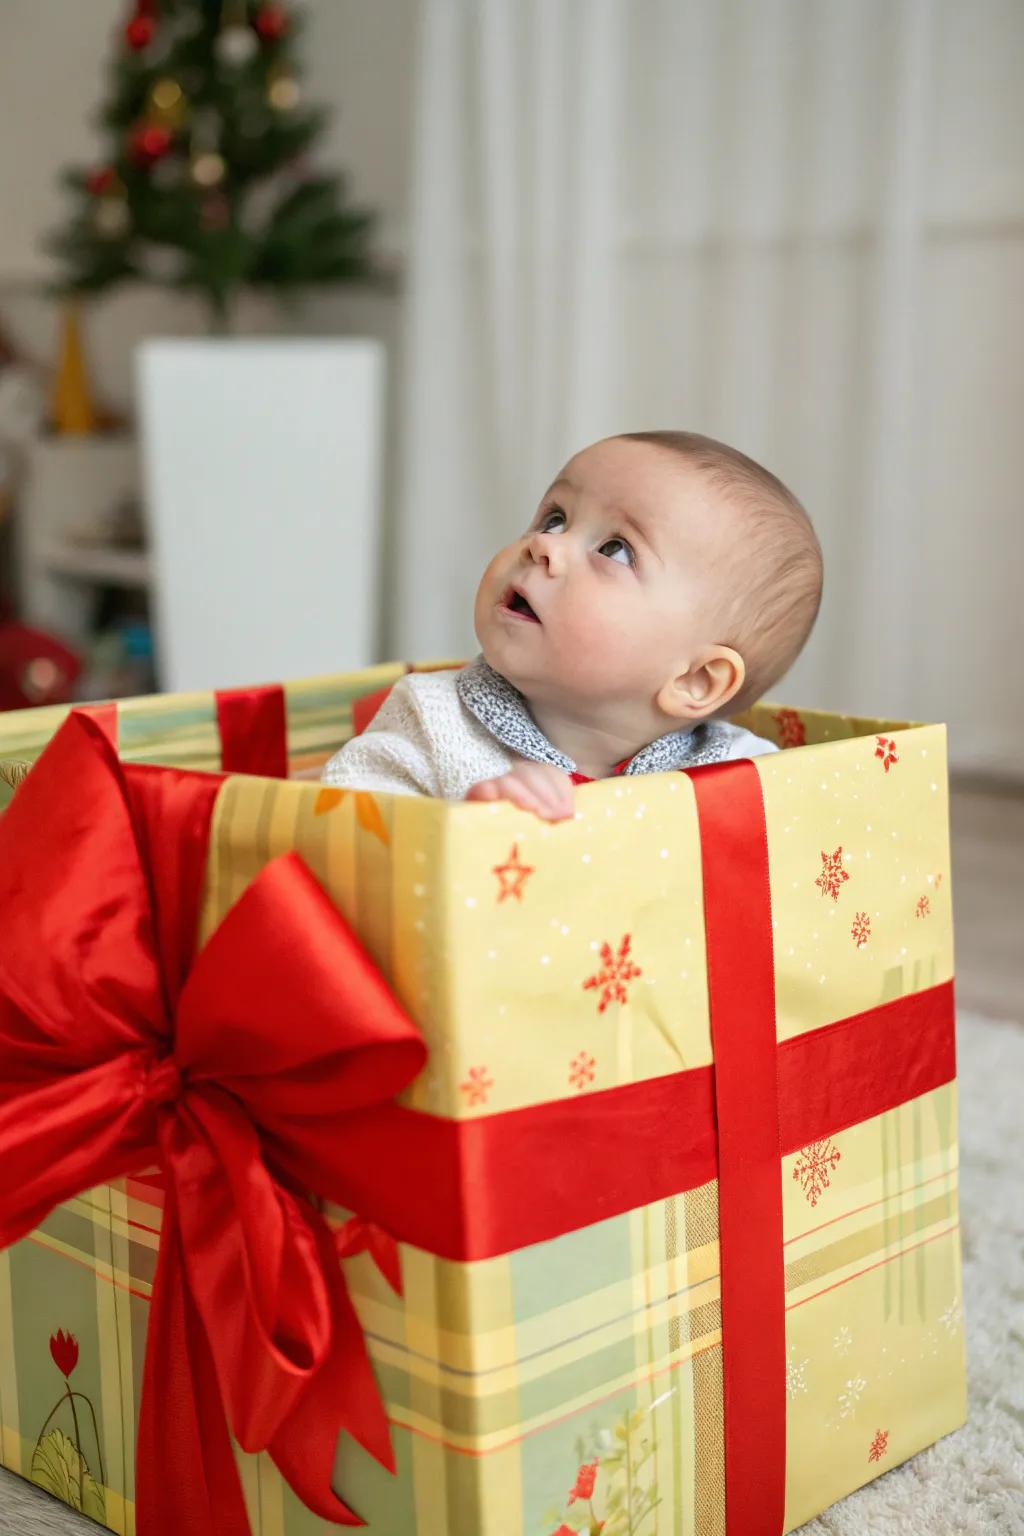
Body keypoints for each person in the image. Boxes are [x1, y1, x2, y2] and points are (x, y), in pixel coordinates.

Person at [323, 431, 823, 821]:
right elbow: (345, 835)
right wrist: (465, 830)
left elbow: (779, 885)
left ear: (695, 680)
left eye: (615, 549)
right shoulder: (434, 719)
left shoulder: (746, 777)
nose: (545, 545)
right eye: (554, 518)